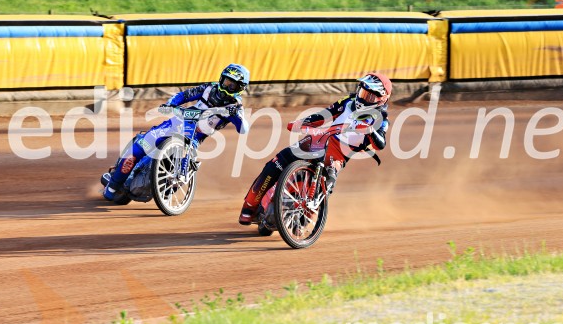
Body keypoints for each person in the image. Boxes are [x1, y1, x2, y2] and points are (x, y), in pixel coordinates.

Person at [238, 73, 392, 225]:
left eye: (369, 95)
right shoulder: (349, 101)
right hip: (319, 139)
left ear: (382, 98)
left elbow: (381, 144)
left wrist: (370, 130)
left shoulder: (381, 118)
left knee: (327, 184)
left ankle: (304, 215)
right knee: (276, 163)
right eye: (362, 92)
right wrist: (302, 122)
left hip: (338, 155)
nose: (362, 97)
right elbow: (326, 114)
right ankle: (249, 207)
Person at [102, 64, 250, 201]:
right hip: (174, 124)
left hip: (194, 138)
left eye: (232, 85)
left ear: (240, 88)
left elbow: (243, 129)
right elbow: (184, 96)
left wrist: (238, 115)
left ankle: (166, 190)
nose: (226, 86)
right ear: (221, 79)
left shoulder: (236, 107)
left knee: (190, 160)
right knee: (140, 148)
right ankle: (112, 186)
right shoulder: (208, 88)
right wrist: (170, 104)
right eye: (225, 81)